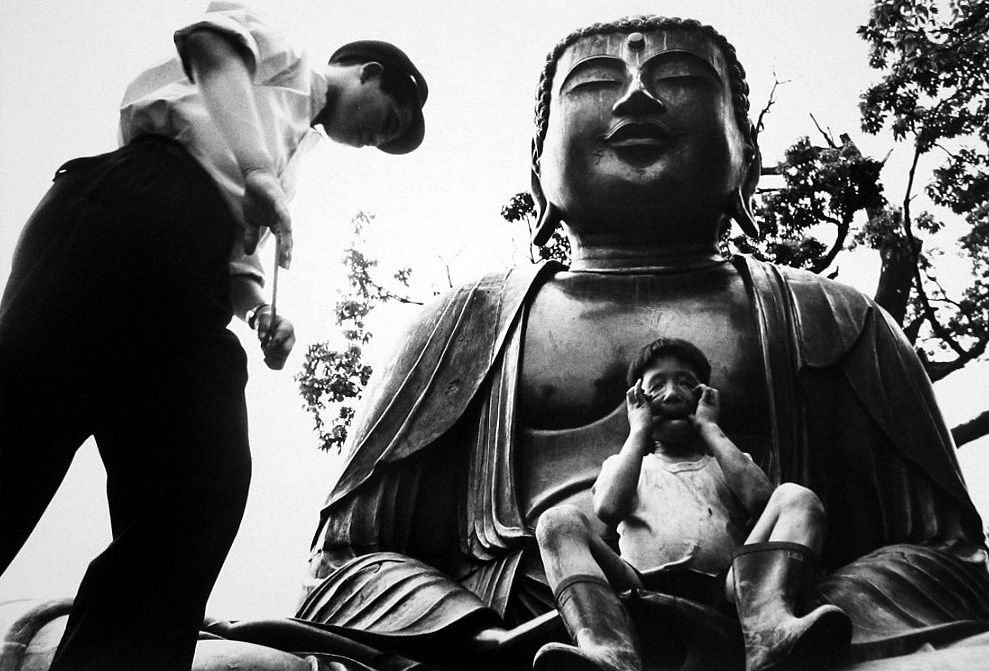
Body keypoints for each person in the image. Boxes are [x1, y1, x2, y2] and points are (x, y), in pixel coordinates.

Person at [294, 14, 989, 671]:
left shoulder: (831, 317)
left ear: (745, 154)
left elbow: (951, 556)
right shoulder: (461, 326)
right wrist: (479, 634)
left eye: (680, 78)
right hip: (531, 635)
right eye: (595, 83)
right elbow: (348, 562)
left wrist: (823, 610)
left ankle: (769, 621)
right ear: (538, 164)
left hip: (795, 624)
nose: (637, 96)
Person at [0, 2, 427, 669]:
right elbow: (210, 46)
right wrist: (257, 167)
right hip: (129, 210)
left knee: (200, 484)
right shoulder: (284, 60)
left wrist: (260, 310)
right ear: (370, 75)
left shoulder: (289, 158)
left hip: (191, 283)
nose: (373, 140)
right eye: (387, 123)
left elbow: (234, 261)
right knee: (19, 436)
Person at [534, 337, 850, 671]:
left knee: (797, 498)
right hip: (638, 585)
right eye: (656, 387)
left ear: (703, 396)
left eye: (686, 383)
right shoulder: (629, 463)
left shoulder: (726, 460)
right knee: (557, 521)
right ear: (638, 401)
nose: (672, 394)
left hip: (730, 587)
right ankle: (608, 650)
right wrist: (638, 432)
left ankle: (771, 630)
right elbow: (609, 509)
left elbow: (761, 499)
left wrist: (709, 427)